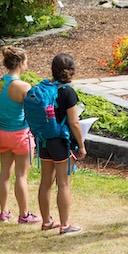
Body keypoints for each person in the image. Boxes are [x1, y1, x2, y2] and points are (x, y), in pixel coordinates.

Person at [35, 54, 87, 235]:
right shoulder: (67, 92)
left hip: (43, 140)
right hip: (60, 141)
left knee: (45, 182)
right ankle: (65, 225)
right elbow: (74, 122)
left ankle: (47, 221)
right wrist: (81, 145)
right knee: (63, 183)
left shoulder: (44, 88)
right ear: (71, 71)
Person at [0, 46, 41, 224]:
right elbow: (34, 110)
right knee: (21, 176)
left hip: (2, 133)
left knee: (4, 173)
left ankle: (3, 212)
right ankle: (24, 214)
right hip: (21, 134)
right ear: (21, 63)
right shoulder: (23, 86)